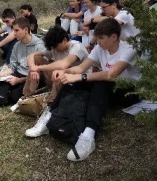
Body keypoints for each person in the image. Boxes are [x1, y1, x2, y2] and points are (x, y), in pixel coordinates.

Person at [51, 18, 141, 161]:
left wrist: (80, 77)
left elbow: (111, 75)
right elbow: (81, 68)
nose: (98, 42)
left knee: (101, 82)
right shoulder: (100, 48)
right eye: (97, 38)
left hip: (129, 92)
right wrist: (66, 72)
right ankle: (50, 115)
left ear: (114, 37)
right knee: (70, 81)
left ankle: (88, 134)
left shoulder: (129, 48)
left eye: (101, 38)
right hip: (110, 90)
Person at [23, 25, 89, 137]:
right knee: (37, 59)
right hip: (60, 81)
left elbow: (64, 64)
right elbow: (31, 55)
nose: (54, 50)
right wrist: (33, 67)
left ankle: (49, 111)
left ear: (64, 40)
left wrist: (38, 68)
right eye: (52, 47)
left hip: (79, 82)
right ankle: (27, 96)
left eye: (55, 46)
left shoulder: (77, 47)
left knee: (60, 72)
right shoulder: (54, 48)